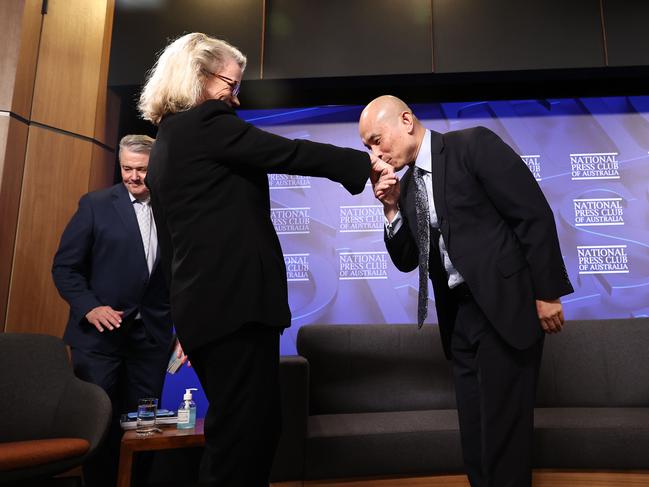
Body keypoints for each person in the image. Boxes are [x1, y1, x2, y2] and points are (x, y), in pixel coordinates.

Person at [138, 33, 391, 486]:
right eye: (229, 85)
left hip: (204, 315)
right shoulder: (207, 123)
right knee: (242, 437)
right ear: (197, 77)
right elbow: (286, 152)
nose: (234, 99)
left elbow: (172, 248)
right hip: (234, 308)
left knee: (248, 429)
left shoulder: (166, 144)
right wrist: (362, 166)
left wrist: (184, 320)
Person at [359, 95, 574, 487]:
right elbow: (409, 259)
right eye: (367, 147)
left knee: (503, 441)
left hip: (504, 310)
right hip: (460, 321)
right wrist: (390, 209)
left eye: (376, 139)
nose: (375, 152)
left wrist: (547, 293)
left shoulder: (472, 145)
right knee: (475, 440)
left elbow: (532, 214)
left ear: (406, 121)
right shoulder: (405, 188)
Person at [52, 134, 178, 487]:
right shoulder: (95, 205)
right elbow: (65, 268)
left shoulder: (172, 209)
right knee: (100, 426)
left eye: (141, 169)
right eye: (126, 168)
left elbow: (180, 276)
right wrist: (90, 308)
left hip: (149, 341)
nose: (133, 176)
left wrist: (182, 330)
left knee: (144, 428)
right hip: (98, 340)